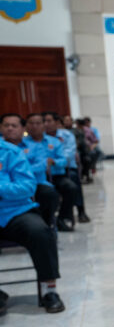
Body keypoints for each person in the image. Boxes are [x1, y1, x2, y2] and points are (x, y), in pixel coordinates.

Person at [0, 138, 64, 314]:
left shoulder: (10, 152)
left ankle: (49, 291)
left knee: (40, 232)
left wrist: (1, 189)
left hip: (14, 211)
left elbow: (28, 187)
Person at [1, 113, 61, 228]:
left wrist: (19, 170)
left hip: (36, 183)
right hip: (7, 191)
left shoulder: (35, 145)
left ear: (23, 128)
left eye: (14, 126)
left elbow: (42, 165)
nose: (10, 128)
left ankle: (47, 223)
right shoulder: (2, 148)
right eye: (6, 125)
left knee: (49, 194)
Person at [23, 112, 74, 231]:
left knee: (71, 187)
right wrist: (40, 167)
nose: (35, 126)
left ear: (43, 125)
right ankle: (44, 221)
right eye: (31, 123)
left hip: (55, 175)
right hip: (35, 178)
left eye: (38, 123)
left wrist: (54, 162)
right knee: (47, 194)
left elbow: (64, 160)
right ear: (26, 126)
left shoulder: (54, 142)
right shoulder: (22, 143)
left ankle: (63, 218)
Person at [43, 112, 89, 224]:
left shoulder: (67, 135)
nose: (46, 124)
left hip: (67, 167)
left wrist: (55, 161)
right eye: (43, 121)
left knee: (73, 179)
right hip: (45, 171)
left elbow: (68, 154)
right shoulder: (40, 137)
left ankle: (80, 211)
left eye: (49, 121)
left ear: (57, 122)